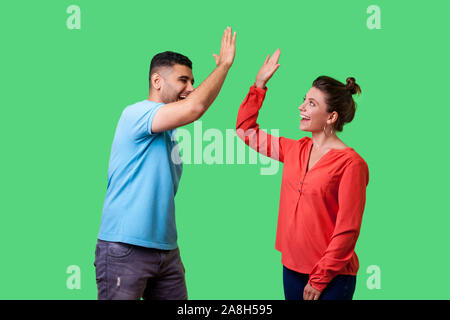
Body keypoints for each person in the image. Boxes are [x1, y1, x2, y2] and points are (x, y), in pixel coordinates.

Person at [94, 27, 237, 300]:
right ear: (157, 81)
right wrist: (224, 66)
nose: (191, 88)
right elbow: (195, 108)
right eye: (183, 80)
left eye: (192, 81)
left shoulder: (168, 130)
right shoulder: (136, 114)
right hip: (125, 248)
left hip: (167, 251)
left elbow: (193, 105)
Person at [236, 49, 369, 300]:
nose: (301, 107)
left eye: (311, 104)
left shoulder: (352, 164)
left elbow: (348, 230)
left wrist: (319, 280)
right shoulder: (295, 149)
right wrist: (259, 85)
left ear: (331, 117)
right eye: (304, 100)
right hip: (292, 269)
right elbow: (246, 132)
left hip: (332, 278)